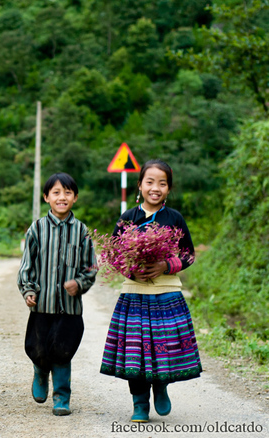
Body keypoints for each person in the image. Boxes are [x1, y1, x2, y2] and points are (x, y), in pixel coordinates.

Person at [99, 159, 201, 423]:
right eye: (150, 182)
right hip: (134, 294)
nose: (155, 188)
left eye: (162, 183)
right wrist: (130, 270)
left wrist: (165, 265)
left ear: (169, 189)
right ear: (140, 185)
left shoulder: (174, 218)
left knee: (163, 347)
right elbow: (112, 254)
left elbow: (189, 255)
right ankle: (139, 404)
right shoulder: (128, 218)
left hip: (167, 295)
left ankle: (161, 386)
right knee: (135, 352)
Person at [17, 172, 97, 416]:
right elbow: (27, 265)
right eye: (56, 192)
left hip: (69, 308)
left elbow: (91, 267)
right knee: (38, 349)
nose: (62, 197)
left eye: (68, 192)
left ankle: (62, 397)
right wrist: (28, 290)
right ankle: (40, 372)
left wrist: (80, 283)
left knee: (63, 352)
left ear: (75, 198)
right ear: (46, 197)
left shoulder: (82, 231)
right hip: (41, 306)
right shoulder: (37, 229)